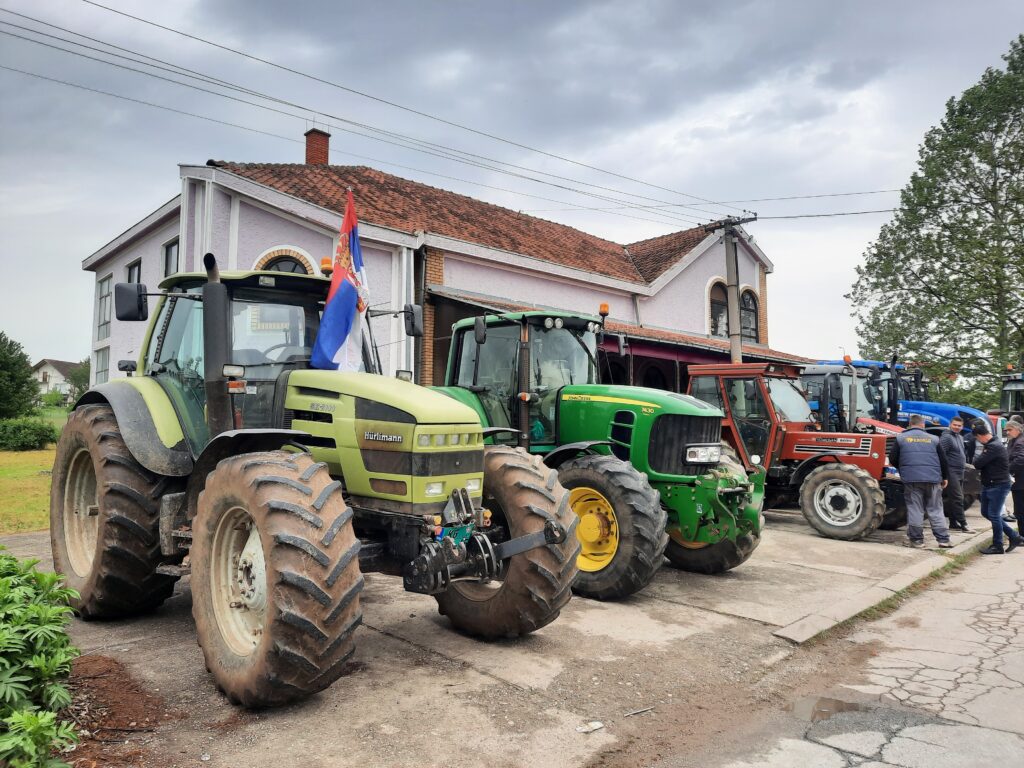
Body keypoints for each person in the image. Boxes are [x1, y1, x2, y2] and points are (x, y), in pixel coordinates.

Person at [889, 413, 952, 548]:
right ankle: (943, 540)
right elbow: (943, 461)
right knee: (935, 509)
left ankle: (917, 540)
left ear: (910, 425)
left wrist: (904, 468)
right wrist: (945, 477)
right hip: (933, 479)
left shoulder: (901, 438)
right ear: (923, 425)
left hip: (912, 479)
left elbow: (892, 458)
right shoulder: (934, 439)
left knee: (915, 509)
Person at [971, 420, 1022, 554]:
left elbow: (977, 463)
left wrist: (981, 456)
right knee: (986, 512)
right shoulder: (992, 445)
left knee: (993, 515)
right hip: (990, 484)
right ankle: (1013, 535)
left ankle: (997, 545)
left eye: (977, 437)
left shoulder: (993, 446)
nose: (978, 441)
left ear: (980, 435)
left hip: (998, 484)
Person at [939, 417, 973, 532]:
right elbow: (941, 455)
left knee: (952, 498)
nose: (957, 427)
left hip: (960, 471)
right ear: (950, 424)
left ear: (962, 426)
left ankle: (953, 523)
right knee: (958, 498)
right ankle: (964, 524)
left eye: (959, 425)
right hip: (951, 471)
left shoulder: (959, 437)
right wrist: (943, 474)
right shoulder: (946, 437)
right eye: (955, 425)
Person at [1006, 419, 1024, 537]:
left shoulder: (1020, 441)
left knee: (1020, 510)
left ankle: (1022, 535)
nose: (1007, 432)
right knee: (1019, 510)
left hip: (1021, 481)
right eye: (1006, 430)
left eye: (1009, 429)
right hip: (1018, 481)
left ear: (1017, 429)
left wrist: (1008, 470)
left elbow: (1020, 459)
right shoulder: (1014, 441)